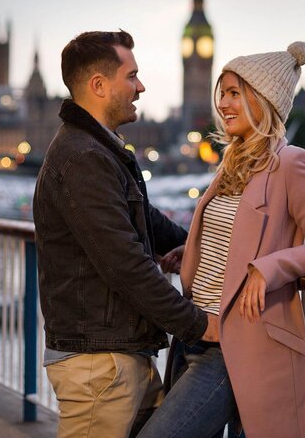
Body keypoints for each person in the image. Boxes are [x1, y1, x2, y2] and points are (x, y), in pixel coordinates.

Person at [138, 41, 305, 438]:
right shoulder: (232, 162)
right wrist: (194, 252)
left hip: (235, 346)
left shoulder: (292, 162)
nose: (223, 103)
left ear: (262, 100)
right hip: (194, 332)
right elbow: (233, 235)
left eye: (235, 93)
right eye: (223, 93)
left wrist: (266, 270)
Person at [33, 30, 210, 438]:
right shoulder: (83, 158)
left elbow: (144, 220)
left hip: (119, 354)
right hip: (100, 366)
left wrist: (196, 246)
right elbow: (125, 264)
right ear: (98, 85)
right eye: (131, 76)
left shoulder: (97, 149)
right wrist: (200, 325)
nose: (141, 86)